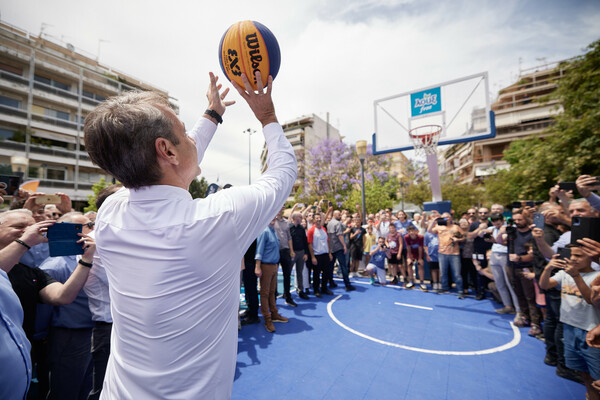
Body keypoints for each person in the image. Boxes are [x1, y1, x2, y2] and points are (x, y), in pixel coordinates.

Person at [83, 71, 296, 399]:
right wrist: (266, 115)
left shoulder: (111, 213)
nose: (193, 138)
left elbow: (172, 166)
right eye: (185, 132)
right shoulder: (215, 218)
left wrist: (212, 114)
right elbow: (283, 172)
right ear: (167, 150)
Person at [40, 212, 95, 400]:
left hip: (91, 333)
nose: (93, 228)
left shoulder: (91, 258)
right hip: (68, 335)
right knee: (66, 389)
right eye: (88, 225)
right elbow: (44, 307)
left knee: (87, 389)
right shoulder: (55, 265)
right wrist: (42, 336)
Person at [540, 246, 600, 400]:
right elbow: (544, 285)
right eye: (572, 255)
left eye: (579, 256)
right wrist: (547, 269)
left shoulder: (597, 276)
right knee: (584, 373)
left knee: (597, 376)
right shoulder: (564, 273)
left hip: (590, 330)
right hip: (569, 328)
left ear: (591, 258)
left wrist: (576, 276)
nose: (573, 259)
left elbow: (590, 300)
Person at [84, 184, 122, 400]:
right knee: (103, 390)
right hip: (107, 329)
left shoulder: (112, 238)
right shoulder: (98, 241)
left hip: (120, 326)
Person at [255, 218, 289, 333]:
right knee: (265, 293)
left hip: (274, 266)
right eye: (270, 216)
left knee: (272, 291)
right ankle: (267, 318)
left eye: (274, 217)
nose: (273, 219)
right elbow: (259, 251)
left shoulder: (273, 231)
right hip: (266, 266)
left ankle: (274, 314)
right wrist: (257, 266)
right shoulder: (264, 232)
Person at [430, 213, 465, 299]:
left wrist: (458, 239)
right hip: (442, 253)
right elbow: (429, 231)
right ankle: (445, 288)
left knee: (457, 274)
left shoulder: (456, 227)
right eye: (444, 218)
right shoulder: (438, 227)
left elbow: (464, 237)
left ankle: (460, 290)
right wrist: (433, 221)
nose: (446, 219)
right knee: (443, 273)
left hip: (454, 254)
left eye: (447, 217)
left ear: (451, 218)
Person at [273, 208, 297, 307]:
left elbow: (289, 238)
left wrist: (291, 250)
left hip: (285, 251)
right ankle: (273, 298)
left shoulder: (286, 222)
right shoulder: (272, 221)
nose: (279, 210)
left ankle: (287, 296)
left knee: (287, 275)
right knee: (273, 276)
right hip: (274, 252)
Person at [327, 210, 355, 291]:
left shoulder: (329, 223)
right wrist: (344, 246)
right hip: (338, 247)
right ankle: (347, 284)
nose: (340, 216)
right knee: (343, 266)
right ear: (335, 215)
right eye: (339, 215)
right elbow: (340, 235)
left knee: (331, 267)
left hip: (331, 248)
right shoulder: (337, 223)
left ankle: (331, 282)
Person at [307, 213, 333, 297]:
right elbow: (310, 244)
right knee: (316, 274)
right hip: (317, 255)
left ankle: (324, 288)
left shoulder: (324, 229)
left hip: (325, 254)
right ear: (313, 220)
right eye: (316, 218)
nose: (318, 220)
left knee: (326, 272)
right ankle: (316, 289)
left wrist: (329, 253)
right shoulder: (311, 230)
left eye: (319, 218)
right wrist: (313, 257)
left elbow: (327, 241)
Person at [289, 211, 310, 300]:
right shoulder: (289, 228)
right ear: (294, 219)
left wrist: (306, 253)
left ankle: (300, 290)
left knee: (300, 272)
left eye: (301, 218)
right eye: (298, 218)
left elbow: (305, 242)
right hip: (292, 253)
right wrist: (291, 251)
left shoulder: (302, 229)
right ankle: (287, 292)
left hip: (301, 252)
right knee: (288, 272)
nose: (300, 220)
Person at [404, 225, 426, 291]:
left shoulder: (421, 237)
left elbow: (420, 248)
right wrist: (409, 258)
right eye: (409, 231)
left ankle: (421, 282)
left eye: (413, 231)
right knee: (409, 264)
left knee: (420, 265)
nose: (411, 233)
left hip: (419, 252)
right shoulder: (406, 237)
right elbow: (408, 247)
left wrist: (419, 258)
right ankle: (411, 281)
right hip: (411, 252)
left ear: (416, 231)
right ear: (408, 232)